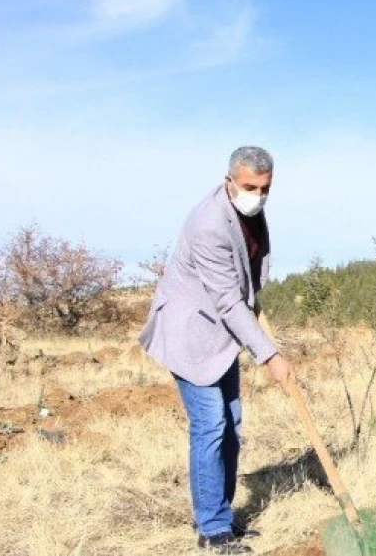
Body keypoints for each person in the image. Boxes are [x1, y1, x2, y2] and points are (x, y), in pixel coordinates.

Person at [139, 146, 291, 554]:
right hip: (192, 333)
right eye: (248, 187)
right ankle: (212, 532)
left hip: (222, 333)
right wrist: (270, 355)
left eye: (264, 188)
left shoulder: (250, 212)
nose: (257, 195)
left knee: (233, 426)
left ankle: (220, 515)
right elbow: (225, 300)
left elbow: (249, 274)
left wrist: (255, 302)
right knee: (210, 425)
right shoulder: (209, 224)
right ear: (229, 182)